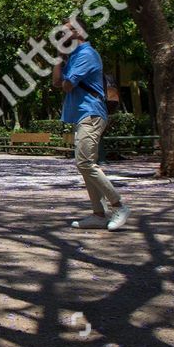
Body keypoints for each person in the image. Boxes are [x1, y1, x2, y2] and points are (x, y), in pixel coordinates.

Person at [54, 20, 129, 230]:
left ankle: (119, 206)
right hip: (82, 115)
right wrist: (58, 58)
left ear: (78, 32)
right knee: (85, 165)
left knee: (85, 163)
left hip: (92, 114)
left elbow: (67, 86)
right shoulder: (74, 57)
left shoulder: (87, 54)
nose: (61, 34)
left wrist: (64, 73)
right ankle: (98, 214)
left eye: (65, 30)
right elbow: (56, 82)